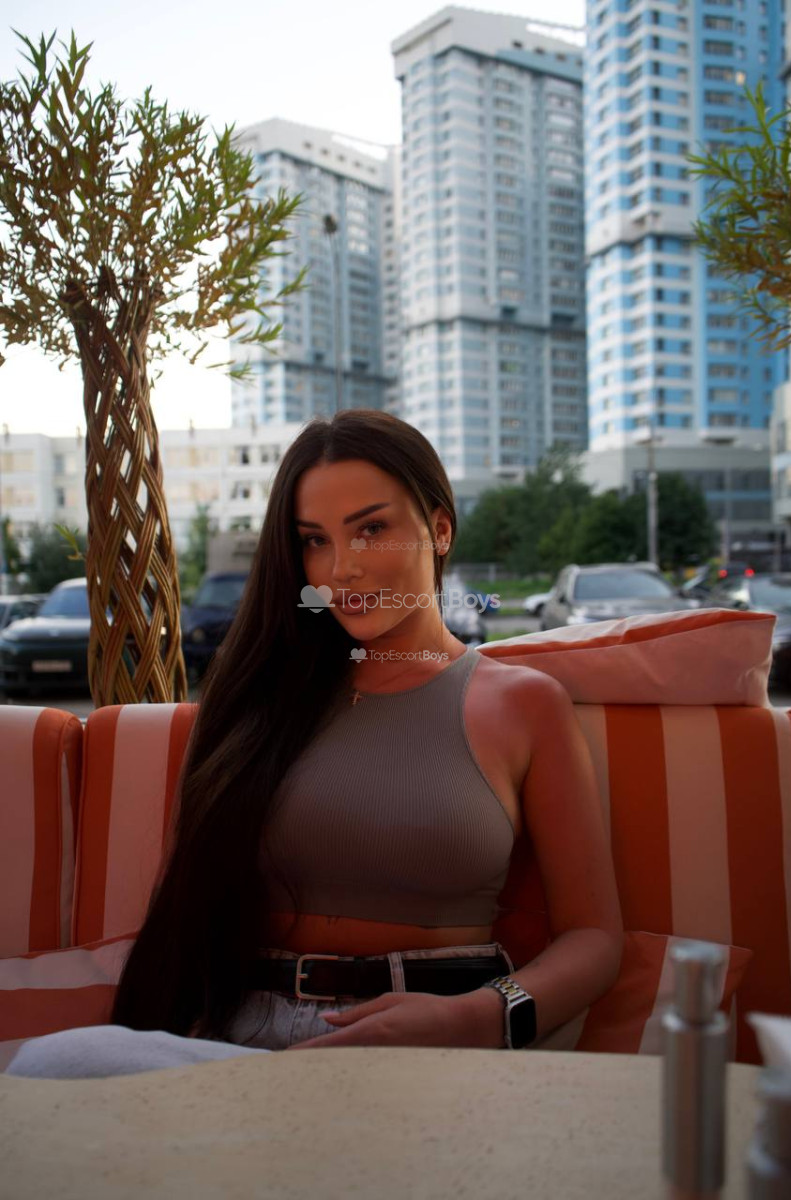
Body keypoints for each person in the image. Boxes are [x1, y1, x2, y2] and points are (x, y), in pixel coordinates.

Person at [6, 410, 622, 1078]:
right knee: (51, 1064)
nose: (341, 569)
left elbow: (594, 937)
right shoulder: (257, 699)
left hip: (439, 1034)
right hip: (244, 1034)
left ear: (440, 528)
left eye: (371, 529)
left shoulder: (523, 703)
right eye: (314, 541)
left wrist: (479, 1016)